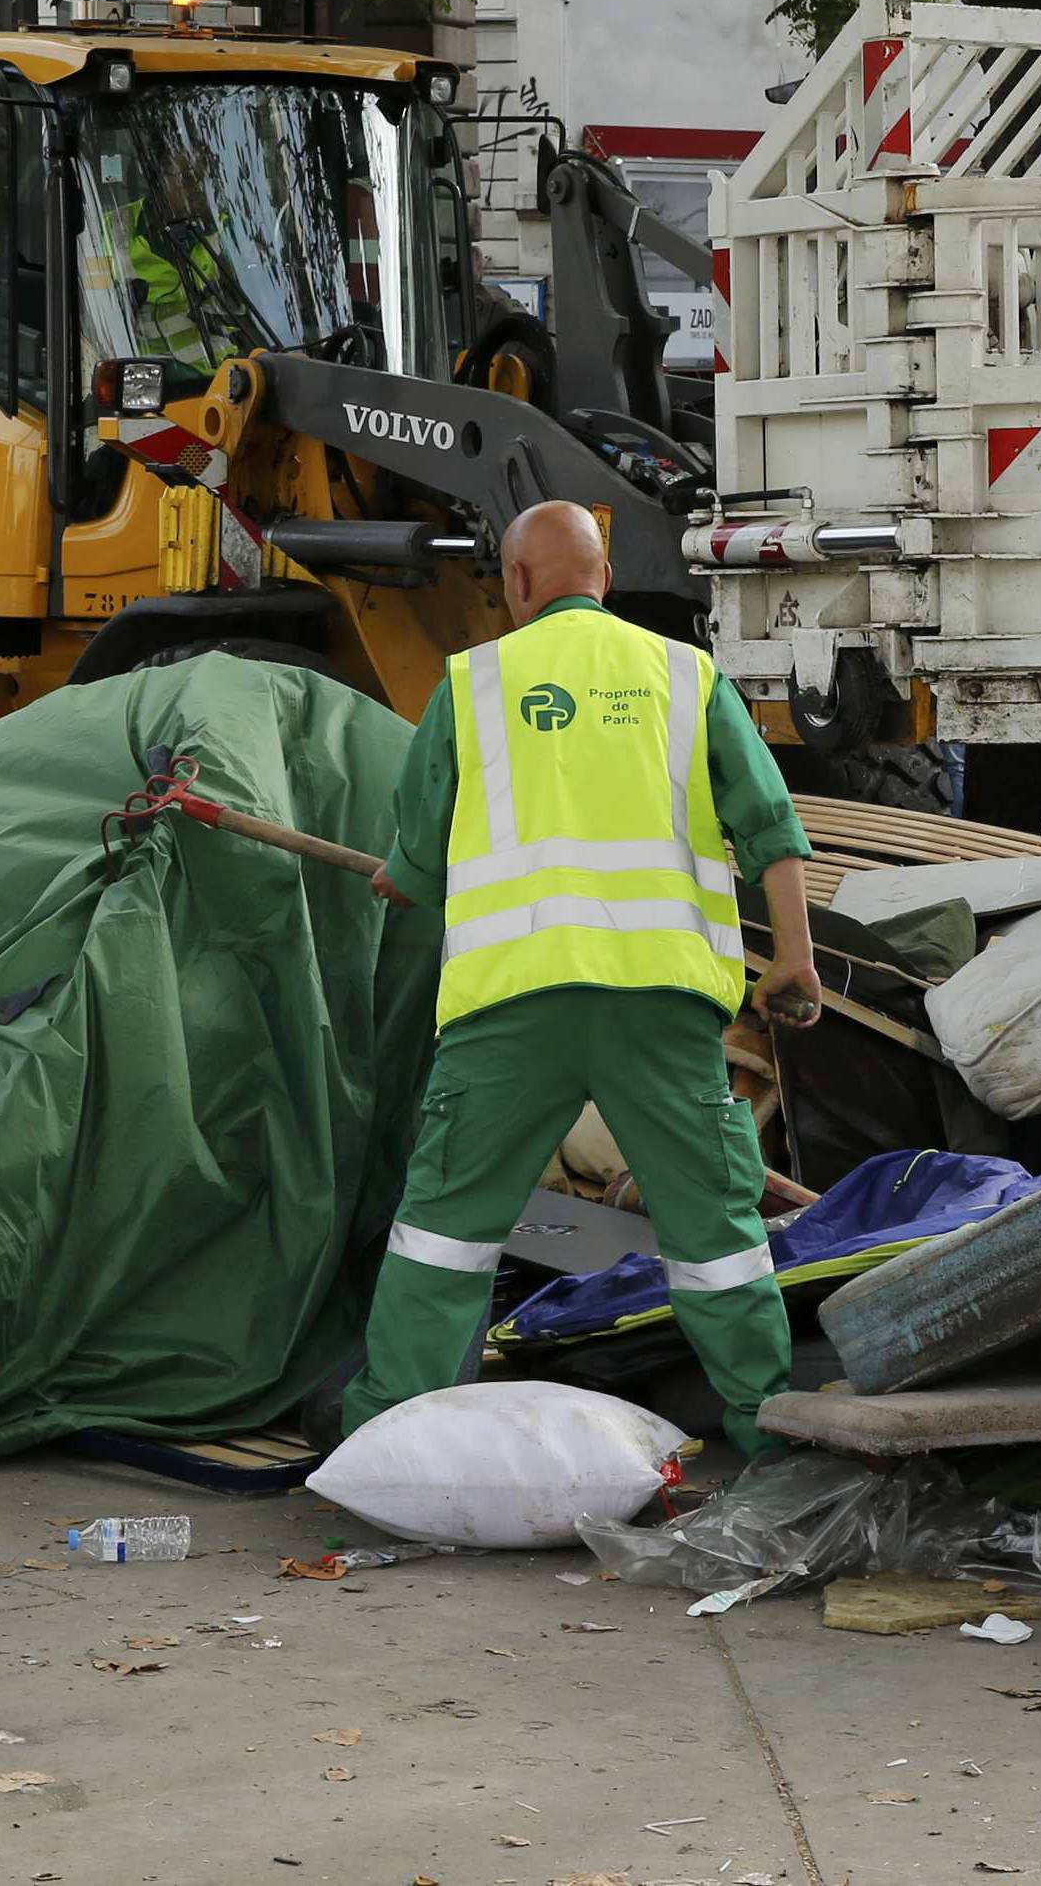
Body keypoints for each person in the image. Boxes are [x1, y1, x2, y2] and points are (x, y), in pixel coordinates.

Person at [338, 500, 821, 1455]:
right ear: (603, 578)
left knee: (446, 1232)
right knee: (716, 1236)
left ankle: (389, 1441)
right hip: (662, 1007)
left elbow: (420, 866)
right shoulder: (686, 676)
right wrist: (795, 956)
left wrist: (402, 871)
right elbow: (770, 823)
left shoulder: (472, 685)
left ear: (515, 583)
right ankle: (770, 1431)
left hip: (511, 1009)